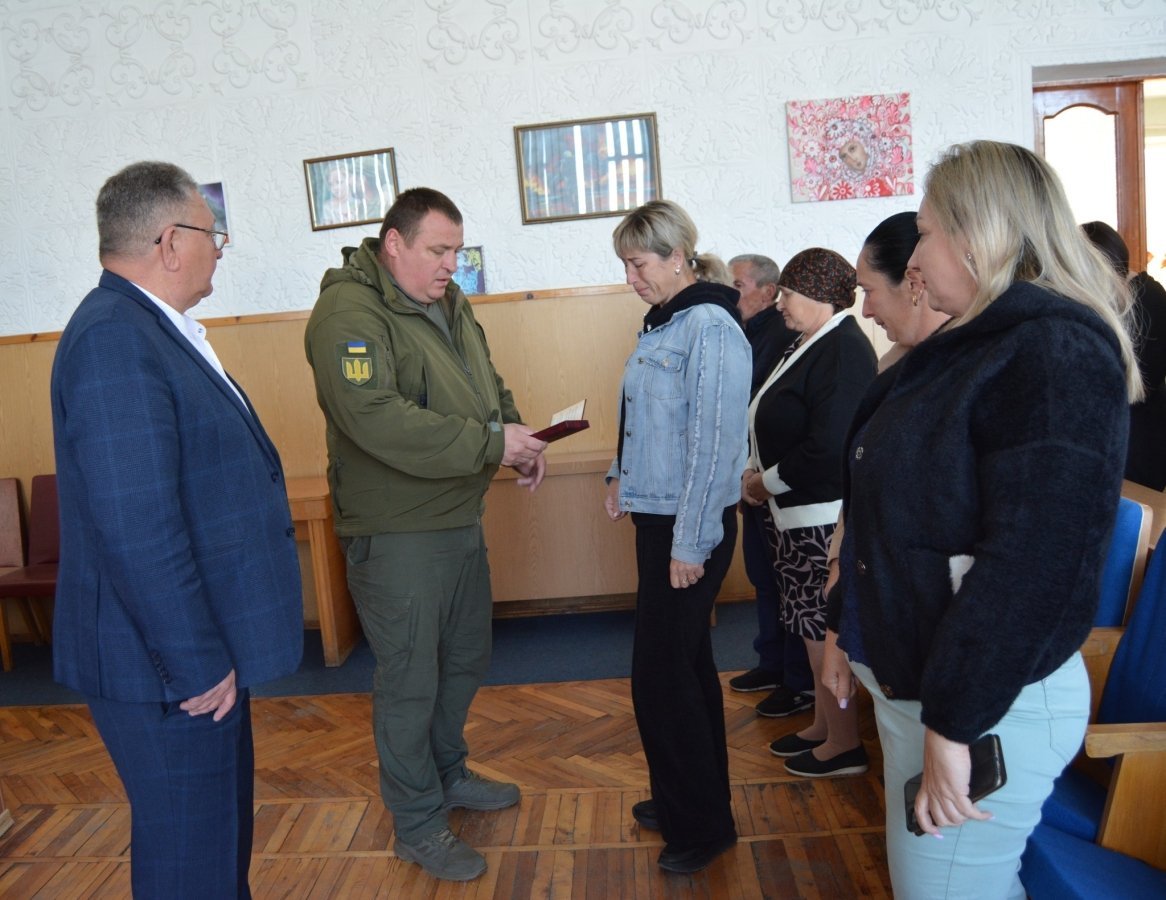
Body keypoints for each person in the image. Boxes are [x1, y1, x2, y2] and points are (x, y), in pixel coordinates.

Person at [828, 141, 1140, 899]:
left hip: (985, 704)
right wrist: (847, 628)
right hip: (933, 691)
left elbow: (1032, 562)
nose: (914, 258)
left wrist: (954, 722)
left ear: (979, 234)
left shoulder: (1053, 350)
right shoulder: (971, 343)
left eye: (925, 233)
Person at [50, 161, 304, 898]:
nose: (219, 248)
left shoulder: (147, 327)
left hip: (189, 654)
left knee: (216, 854)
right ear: (169, 242)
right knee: (191, 866)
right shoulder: (113, 340)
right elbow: (137, 528)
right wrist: (195, 664)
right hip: (168, 670)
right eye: (211, 233)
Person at [304, 187, 547, 883]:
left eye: (457, 251)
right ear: (394, 244)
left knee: (464, 659)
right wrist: (491, 444)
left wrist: (517, 435)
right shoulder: (348, 313)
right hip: (398, 531)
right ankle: (416, 824)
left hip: (457, 514)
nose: (451, 264)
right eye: (439, 250)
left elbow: (486, 383)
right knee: (410, 679)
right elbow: (375, 418)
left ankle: (447, 773)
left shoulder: (449, 301)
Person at [604, 199, 750, 874]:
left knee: (661, 680)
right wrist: (618, 474)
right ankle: (686, 801)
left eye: (639, 264)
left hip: (688, 527)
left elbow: (713, 446)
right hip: (658, 517)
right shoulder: (665, 321)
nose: (631, 278)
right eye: (626, 266)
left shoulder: (711, 328)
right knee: (683, 669)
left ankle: (702, 828)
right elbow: (641, 414)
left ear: (676, 257)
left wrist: (690, 542)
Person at [815, 211, 951, 755]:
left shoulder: (950, 379)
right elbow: (860, 502)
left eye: (869, 291)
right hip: (883, 621)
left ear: (914, 282)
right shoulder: (895, 367)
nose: (865, 309)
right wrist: (837, 624)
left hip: (927, 643)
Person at [740, 248, 876, 776]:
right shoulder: (812, 341)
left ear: (819, 294)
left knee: (823, 630)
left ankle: (844, 743)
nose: (780, 303)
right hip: (794, 513)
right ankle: (824, 724)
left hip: (819, 514)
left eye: (789, 293)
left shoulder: (842, 348)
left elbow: (828, 445)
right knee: (808, 625)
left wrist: (764, 483)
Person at [725, 255, 814, 715]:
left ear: (767, 291)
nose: (731, 293)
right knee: (765, 578)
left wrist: (759, 477)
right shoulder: (746, 332)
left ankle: (798, 680)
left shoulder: (782, 336)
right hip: (753, 475)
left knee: (790, 585)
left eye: (738, 284)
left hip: (780, 482)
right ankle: (772, 663)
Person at [1082, 220, 1166, 490]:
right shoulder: (1129, 296)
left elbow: (1138, 382)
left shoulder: (1149, 301)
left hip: (1140, 439)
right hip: (1130, 432)